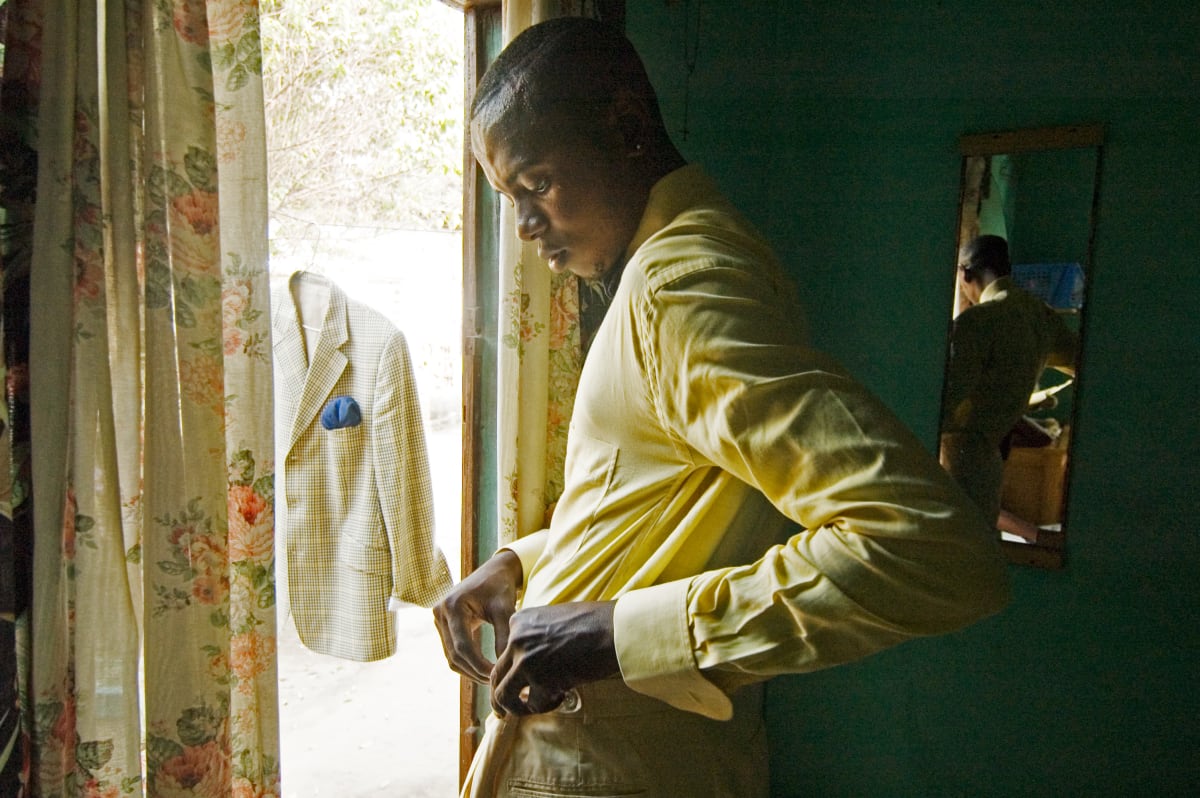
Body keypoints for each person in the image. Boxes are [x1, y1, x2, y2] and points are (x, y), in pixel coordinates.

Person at [433, 17, 1010, 797]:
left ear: (627, 127)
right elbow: (665, 496)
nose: (527, 227)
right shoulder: (676, 269)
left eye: (536, 183)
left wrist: (615, 633)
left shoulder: (680, 288)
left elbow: (932, 550)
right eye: (509, 197)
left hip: (612, 760)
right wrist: (523, 563)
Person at [939, 234, 1079, 531]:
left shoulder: (976, 322)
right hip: (991, 463)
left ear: (965, 274)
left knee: (952, 551)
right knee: (979, 548)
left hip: (957, 461)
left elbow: (944, 403)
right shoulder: (1041, 316)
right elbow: (1080, 362)